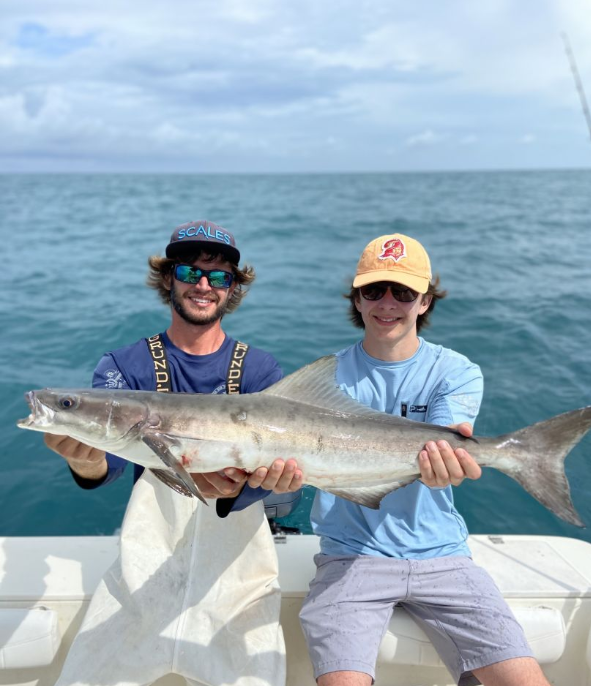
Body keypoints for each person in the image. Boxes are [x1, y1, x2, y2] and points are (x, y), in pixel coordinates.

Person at [44, 220, 299, 686]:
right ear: (168, 278)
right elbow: (112, 463)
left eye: (219, 276)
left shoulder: (261, 370)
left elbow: (268, 478)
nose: (204, 285)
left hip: (237, 579)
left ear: (232, 289)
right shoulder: (124, 367)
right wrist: (83, 459)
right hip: (143, 579)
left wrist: (257, 482)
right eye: (190, 271)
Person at [294, 234, 551, 686]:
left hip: (442, 555)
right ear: (357, 298)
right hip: (350, 558)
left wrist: (451, 464)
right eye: (373, 291)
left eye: (404, 292)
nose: (387, 303)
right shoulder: (323, 378)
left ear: (425, 301)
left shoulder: (456, 371)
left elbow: (445, 451)